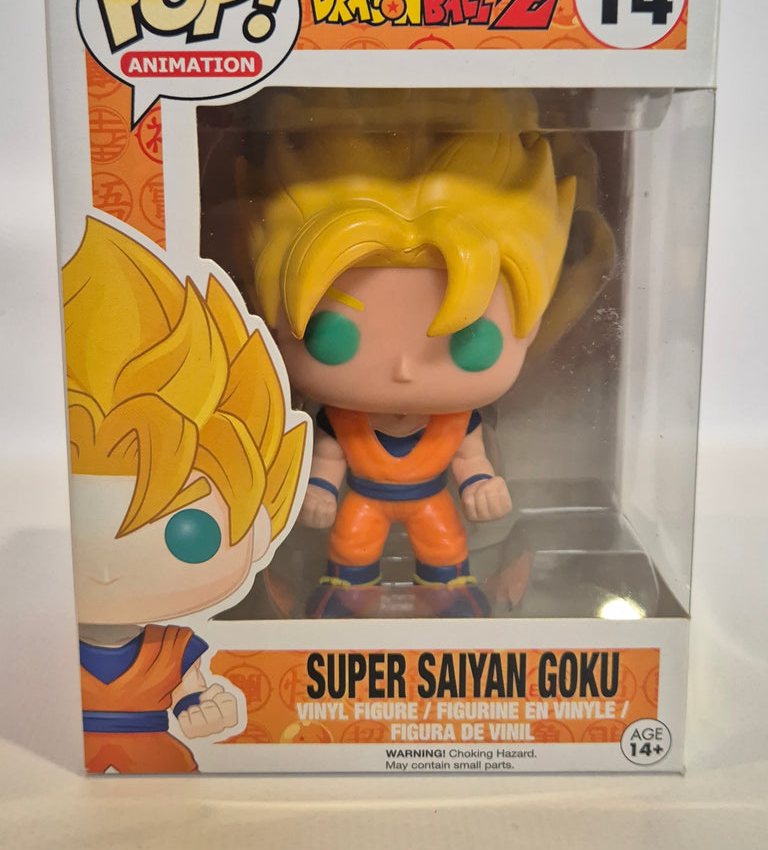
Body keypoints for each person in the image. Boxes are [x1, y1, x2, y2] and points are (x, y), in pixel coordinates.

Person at [237, 88, 582, 618]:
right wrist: (318, 491)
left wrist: (483, 484)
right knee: (351, 544)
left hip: (431, 500)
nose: (402, 370)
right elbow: (326, 460)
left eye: (468, 340)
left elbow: (471, 460)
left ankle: (450, 598)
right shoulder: (340, 421)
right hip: (363, 500)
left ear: (531, 323)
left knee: (444, 544)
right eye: (334, 337)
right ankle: (344, 599)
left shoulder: (457, 422)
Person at [64, 217, 308, 771]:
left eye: (189, 535)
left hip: (163, 774)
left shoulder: (174, 650)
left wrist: (209, 710)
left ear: (259, 527)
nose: (106, 571)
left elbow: (196, 699)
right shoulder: (41, 641)